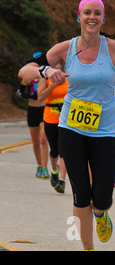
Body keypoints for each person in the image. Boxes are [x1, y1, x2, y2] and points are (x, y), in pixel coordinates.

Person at [18, 0, 115, 251]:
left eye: (97, 13)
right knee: (80, 195)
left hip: (104, 131)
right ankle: (88, 248)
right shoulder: (64, 49)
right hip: (71, 128)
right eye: (87, 12)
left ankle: (101, 214)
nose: (92, 17)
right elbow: (24, 72)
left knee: (101, 198)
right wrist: (45, 71)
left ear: (104, 19)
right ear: (78, 17)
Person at [37, 61, 68, 193]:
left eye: (59, 63)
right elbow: (40, 97)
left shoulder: (68, 77)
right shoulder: (45, 78)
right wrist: (53, 84)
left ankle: (62, 180)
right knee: (54, 149)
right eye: (54, 64)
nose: (57, 66)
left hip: (66, 118)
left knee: (64, 150)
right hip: (50, 117)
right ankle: (54, 170)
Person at [16, 54, 49, 179]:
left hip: (43, 109)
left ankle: (45, 168)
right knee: (35, 142)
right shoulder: (28, 77)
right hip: (32, 110)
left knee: (43, 139)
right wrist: (28, 96)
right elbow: (19, 92)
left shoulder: (45, 75)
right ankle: (39, 166)